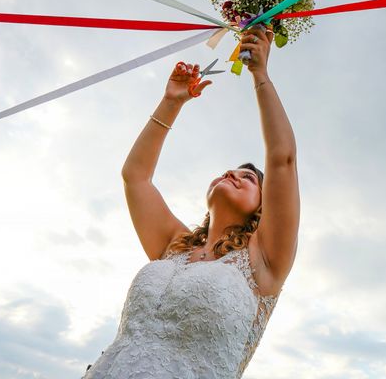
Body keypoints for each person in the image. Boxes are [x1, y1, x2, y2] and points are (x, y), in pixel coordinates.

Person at [85, 25, 300, 378]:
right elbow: (135, 177)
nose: (232, 174)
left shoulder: (264, 261)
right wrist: (171, 102)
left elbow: (283, 159)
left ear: (263, 208)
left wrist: (259, 73)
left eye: (247, 178)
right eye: (228, 171)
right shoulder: (174, 245)